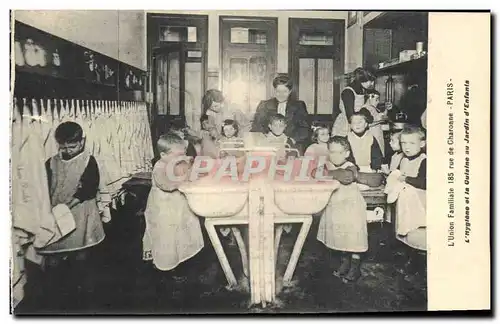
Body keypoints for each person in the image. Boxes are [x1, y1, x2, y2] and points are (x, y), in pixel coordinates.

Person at [40, 121, 105, 306]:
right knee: (53, 253)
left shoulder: (88, 160)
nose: (67, 150)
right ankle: (54, 295)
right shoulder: (51, 162)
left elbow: (89, 188)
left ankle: (83, 294)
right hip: (57, 213)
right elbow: (44, 186)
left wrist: (68, 205)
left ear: (82, 142)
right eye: (63, 146)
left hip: (80, 211)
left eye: (72, 145)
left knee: (81, 253)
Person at [142, 133, 204, 289]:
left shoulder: (176, 162)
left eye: (183, 153)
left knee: (181, 235)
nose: (182, 157)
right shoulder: (160, 167)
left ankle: (180, 261)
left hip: (178, 207)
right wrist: (187, 177)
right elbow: (168, 185)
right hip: (162, 211)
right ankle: (165, 270)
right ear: (163, 155)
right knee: (166, 240)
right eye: (178, 155)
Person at [314, 136, 368, 283]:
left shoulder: (351, 165)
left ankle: (355, 267)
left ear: (346, 153)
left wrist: (327, 174)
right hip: (335, 206)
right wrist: (324, 173)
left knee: (353, 237)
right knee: (340, 237)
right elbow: (313, 173)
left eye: (339, 152)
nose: (335, 156)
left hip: (352, 207)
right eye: (332, 152)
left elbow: (347, 177)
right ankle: (345, 263)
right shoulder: (327, 164)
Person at [386, 125, 426, 276]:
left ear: (422, 144)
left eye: (411, 143)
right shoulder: (403, 159)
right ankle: (407, 257)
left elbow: (425, 182)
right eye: (403, 143)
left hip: (419, 201)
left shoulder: (424, 160)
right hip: (405, 201)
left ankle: (416, 262)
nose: (407, 147)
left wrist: (405, 179)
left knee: (415, 232)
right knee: (404, 230)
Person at [251, 74, 311, 154]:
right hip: (268, 145)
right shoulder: (264, 105)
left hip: (291, 146)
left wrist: (291, 140)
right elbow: (256, 126)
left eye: (285, 91)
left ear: (290, 91)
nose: (281, 95)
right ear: (274, 90)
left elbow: (304, 129)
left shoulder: (298, 106)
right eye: (278, 91)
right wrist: (266, 138)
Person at [332, 67, 376, 137]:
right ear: (362, 80)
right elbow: (350, 116)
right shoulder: (348, 92)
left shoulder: (362, 90)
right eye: (370, 81)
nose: (372, 84)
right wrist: (369, 118)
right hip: (346, 126)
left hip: (358, 124)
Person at [358, 89, 387, 156]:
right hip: (371, 137)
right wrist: (381, 120)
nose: (378, 101)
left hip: (378, 135)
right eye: (376, 99)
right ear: (370, 98)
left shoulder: (374, 108)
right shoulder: (364, 109)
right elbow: (366, 125)